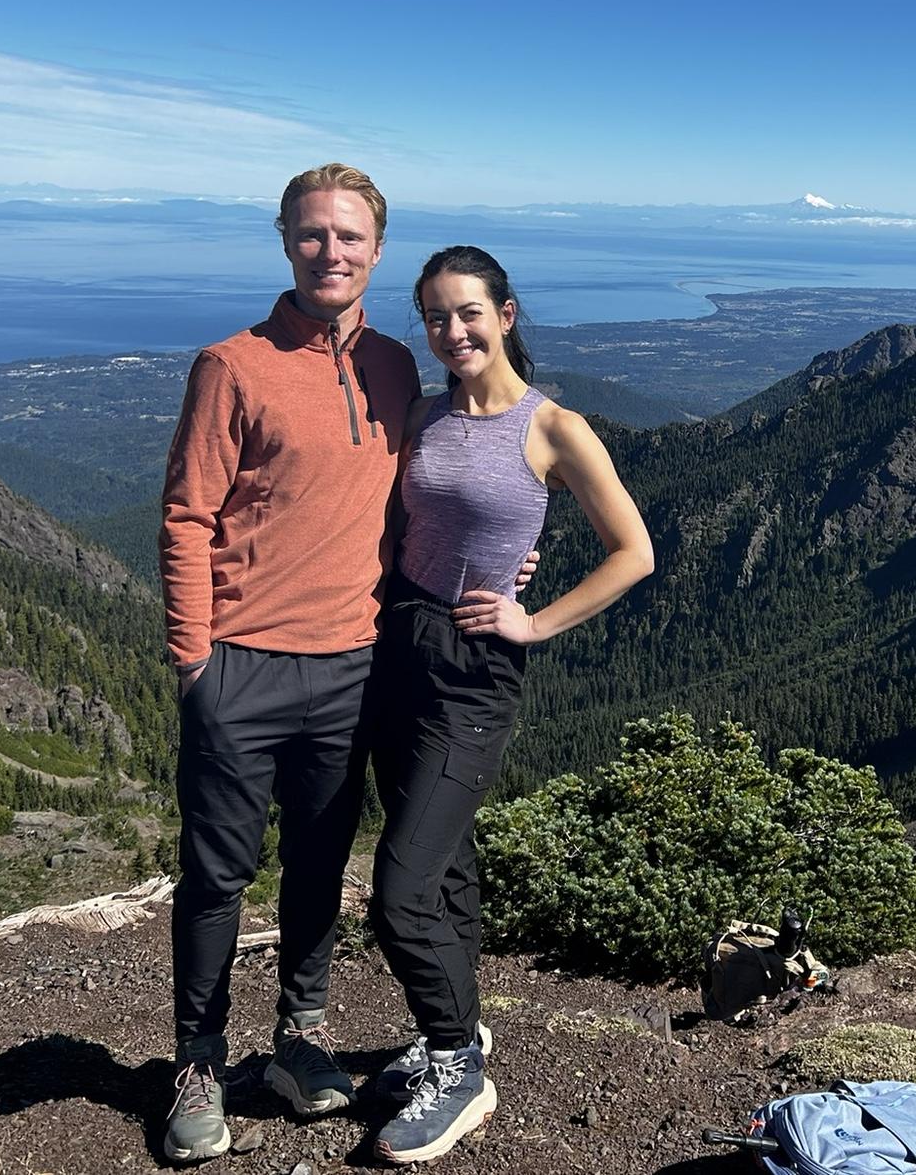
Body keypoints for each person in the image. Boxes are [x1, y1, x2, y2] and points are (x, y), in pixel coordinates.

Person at [158, 167, 537, 1165]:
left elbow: (437, 489)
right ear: (287, 241)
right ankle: (198, 1063)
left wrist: (500, 559)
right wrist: (195, 660)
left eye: (350, 237)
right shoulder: (231, 365)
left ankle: (302, 1036)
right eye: (313, 234)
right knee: (216, 876)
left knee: (320, 862)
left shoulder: (396, 366)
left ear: (376, 249)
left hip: (355, 667)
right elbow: (187, 516)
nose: (331, 252)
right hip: (242, 664)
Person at [367, 245, 654, 1166]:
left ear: (506, 314)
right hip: (399, 646)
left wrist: (532, 623)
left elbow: (634, 552)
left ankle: (459, 1071)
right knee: (446, 866)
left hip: (474, 672)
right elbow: (409, 527)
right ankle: (458, 1030)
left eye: (468, 313)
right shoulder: (426, 415)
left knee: (400, 891)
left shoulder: (555, 428)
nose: (452, 331)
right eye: (435, 317)